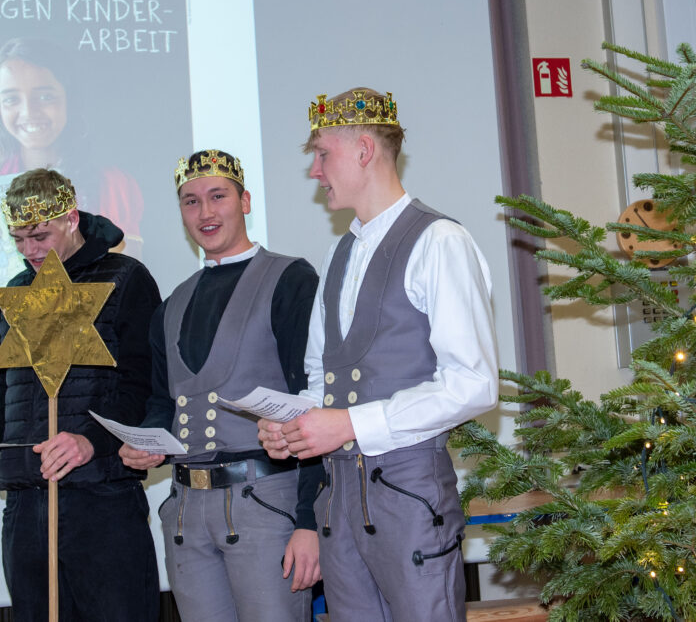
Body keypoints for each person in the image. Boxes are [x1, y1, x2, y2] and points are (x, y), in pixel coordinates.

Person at [258, 88, 499, 621]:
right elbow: (322, 379)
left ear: (364, 150)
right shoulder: (339, 253)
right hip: (338, 499)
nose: (315, 171)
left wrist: (349, 424)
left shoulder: (440, 241)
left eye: (323, 155)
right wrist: (292, 426)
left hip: (409, 493)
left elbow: (474, 383)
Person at [119, 149, 323, 621]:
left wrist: (309, 521)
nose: (205, 212)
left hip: (265, 504)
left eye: (218, 196)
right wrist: (147, 443)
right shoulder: (172, 303)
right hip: (186, 512)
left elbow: (313, 402)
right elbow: (162, 401)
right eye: (191, 201)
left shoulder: (291, 279)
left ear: (245, 201)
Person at [0, 169, 160, 622]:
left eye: (40, 236)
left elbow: (143, 386)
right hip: (27, 502)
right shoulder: (15, 293)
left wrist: (90, 440)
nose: (29, 250)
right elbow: (2, 389)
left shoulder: (125, 279)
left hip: (101, 497)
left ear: (71, 219)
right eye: (18, 239)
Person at [0, 38, 143, 364]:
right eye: (12, 99)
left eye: (45, 96)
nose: (29, 112)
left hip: (81, 361)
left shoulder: (109, 186)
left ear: (69, 98)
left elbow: (127, 290)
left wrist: (9, 304)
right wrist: (14, 303)